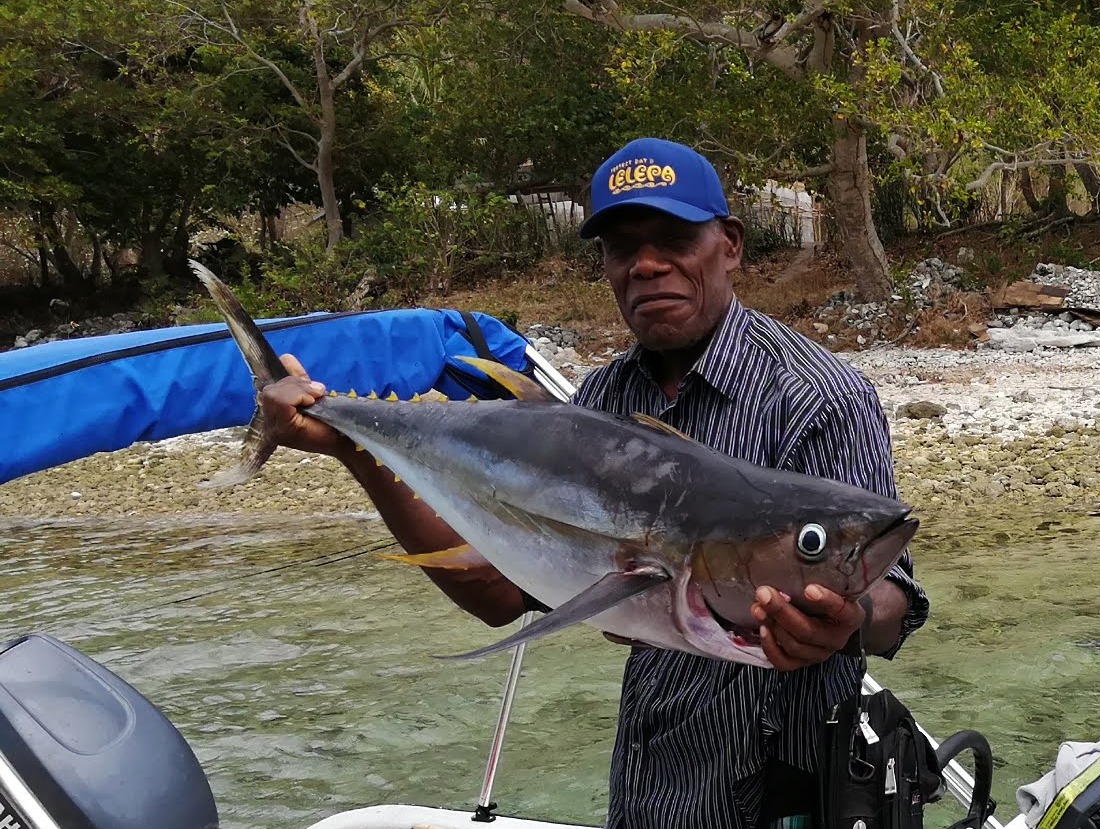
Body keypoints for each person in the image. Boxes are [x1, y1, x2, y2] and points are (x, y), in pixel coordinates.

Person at [259, 137, 929, 829]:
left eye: (674, 236)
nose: (646, 264)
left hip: (786, 798)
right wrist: (354, 451)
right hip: (649, 793)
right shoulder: (598, 402)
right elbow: (501, 594)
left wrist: (847, 622)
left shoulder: (818, 395)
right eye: (621, 246)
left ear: (729, 244)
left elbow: (891, 600)